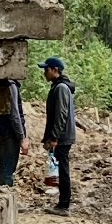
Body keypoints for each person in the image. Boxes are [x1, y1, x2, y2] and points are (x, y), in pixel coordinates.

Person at [39, 56, 76, 214]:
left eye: (46, 69)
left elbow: (61, 114)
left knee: (63, 170)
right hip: (63, 135)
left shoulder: (60, 88)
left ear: (55, 70)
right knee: (61, 168)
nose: (44, 73)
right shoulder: (59, 86)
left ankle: (64, 205)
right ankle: (62, 202)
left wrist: (54, 137)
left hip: (62, 137)